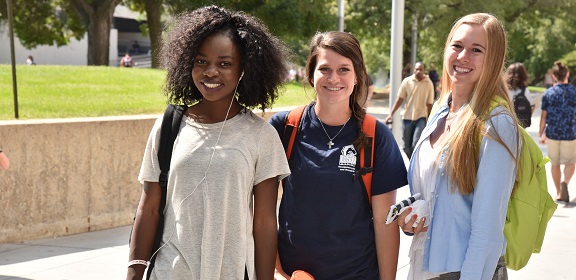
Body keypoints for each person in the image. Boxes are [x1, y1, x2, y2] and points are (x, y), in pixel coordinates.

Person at [127, 6, 291, 280]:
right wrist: (134, 272)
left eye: (225, 63)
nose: (210, 72)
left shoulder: (261, 136)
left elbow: (263, 223)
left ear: (243, 70)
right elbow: (150, 207)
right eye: (201, 61)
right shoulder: (168, 126)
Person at [269, 31, 408, 280]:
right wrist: (276, 266)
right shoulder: (284, 127)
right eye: (325, 69)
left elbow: (384, 223)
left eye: (344, 69)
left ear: (357, 77)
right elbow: (262, 211)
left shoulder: (376, 136)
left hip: (358, 274)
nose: (334, 78)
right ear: (311, 75)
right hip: (296, 275)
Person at [397, 13, 520, 279]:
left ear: (493, 59)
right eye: (457, 46)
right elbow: (434, 194)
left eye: (476, 50)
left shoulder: (497, 123)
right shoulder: (440, 112)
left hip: (464, 271)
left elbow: (487, 231)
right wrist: (412, 218)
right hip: (423, 265)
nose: (463, 56)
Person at [539, 61, 576, 203]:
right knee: (570, 162)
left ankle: (559, 192)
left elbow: (543, 116)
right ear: (567, 74)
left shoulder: (549, 93)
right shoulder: (574, 92)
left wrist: (542, 133)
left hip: (552, 133)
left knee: (554, 163)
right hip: (570, 133)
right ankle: (565, 182)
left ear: (554, 76)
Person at [384, 62, 435, 159]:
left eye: (420, 69)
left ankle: (415, 170)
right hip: (407, 117)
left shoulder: (429, 83)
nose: (418, 71)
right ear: (413, 70)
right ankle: (413, 166)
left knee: (415, 144)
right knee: (406, 147)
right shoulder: (407, 81)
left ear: (424, 71)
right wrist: (391, 114)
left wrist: (430, 120)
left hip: (421, 117)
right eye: (416, 69)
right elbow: (400, 99)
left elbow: (429, 104)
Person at [506, 62, 535, 127]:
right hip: (520, 124)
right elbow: (532, 106)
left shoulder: (504, 89)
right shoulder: (525, 90)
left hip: (507, 121)